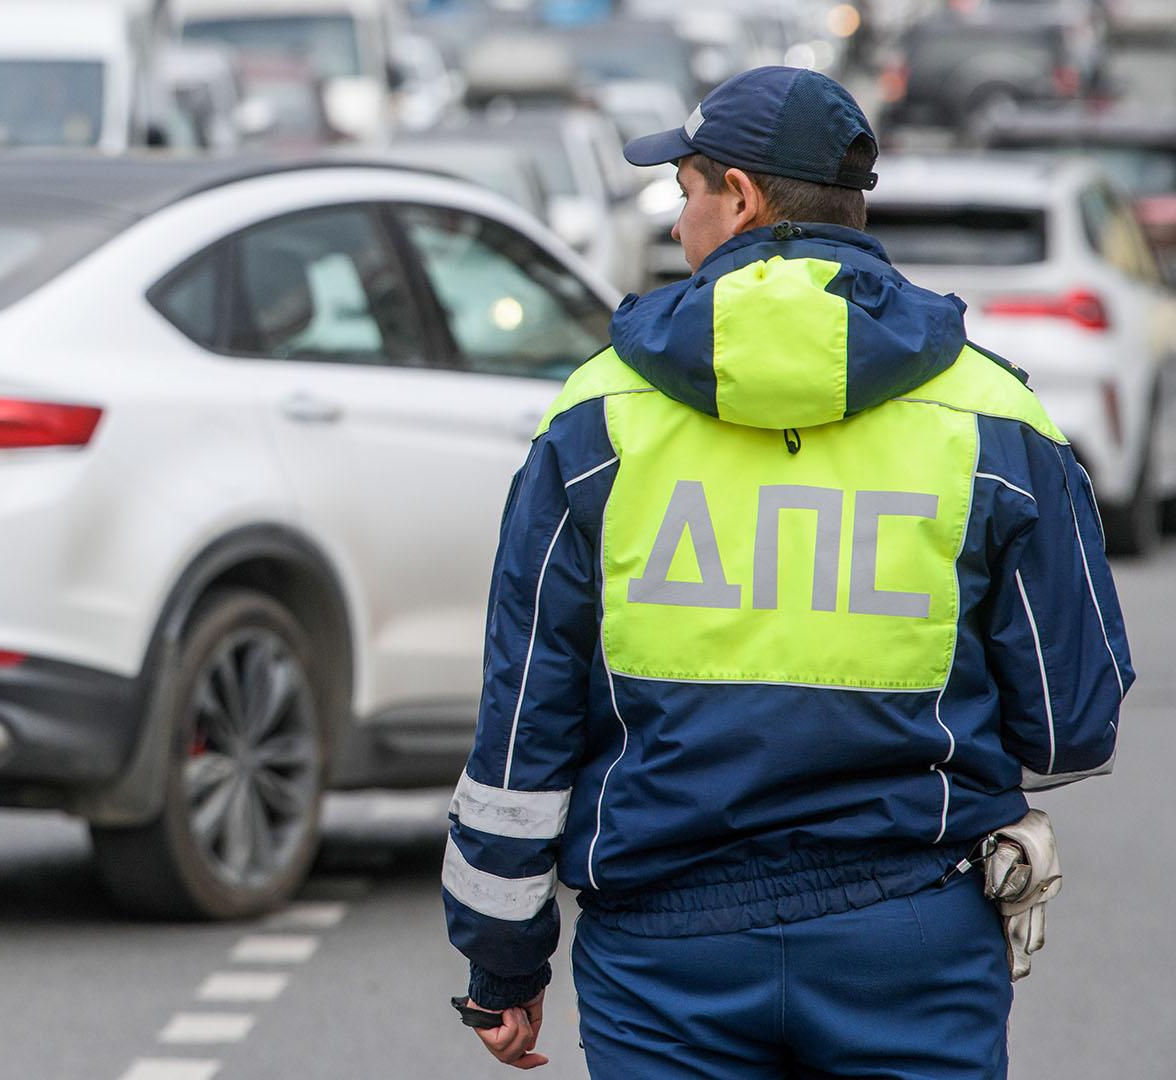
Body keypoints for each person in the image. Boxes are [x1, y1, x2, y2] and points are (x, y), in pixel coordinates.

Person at [443, 66, 1131, 1076]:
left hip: (666, 960)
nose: (677, 222)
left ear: (741, 199)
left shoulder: (596, 418)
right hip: (911, 943)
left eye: (685, 192)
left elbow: (522, 727)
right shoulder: (994, 417)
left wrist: (502, 962)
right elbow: (1073, 725)